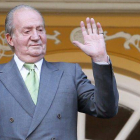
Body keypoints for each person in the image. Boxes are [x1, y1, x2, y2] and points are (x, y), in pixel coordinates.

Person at [0, 4, 119, 140]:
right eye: (27, 31)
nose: (36, 36)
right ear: (10, 39)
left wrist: (100, 58)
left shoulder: (69, 73)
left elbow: (106, 109)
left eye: (40, 30)